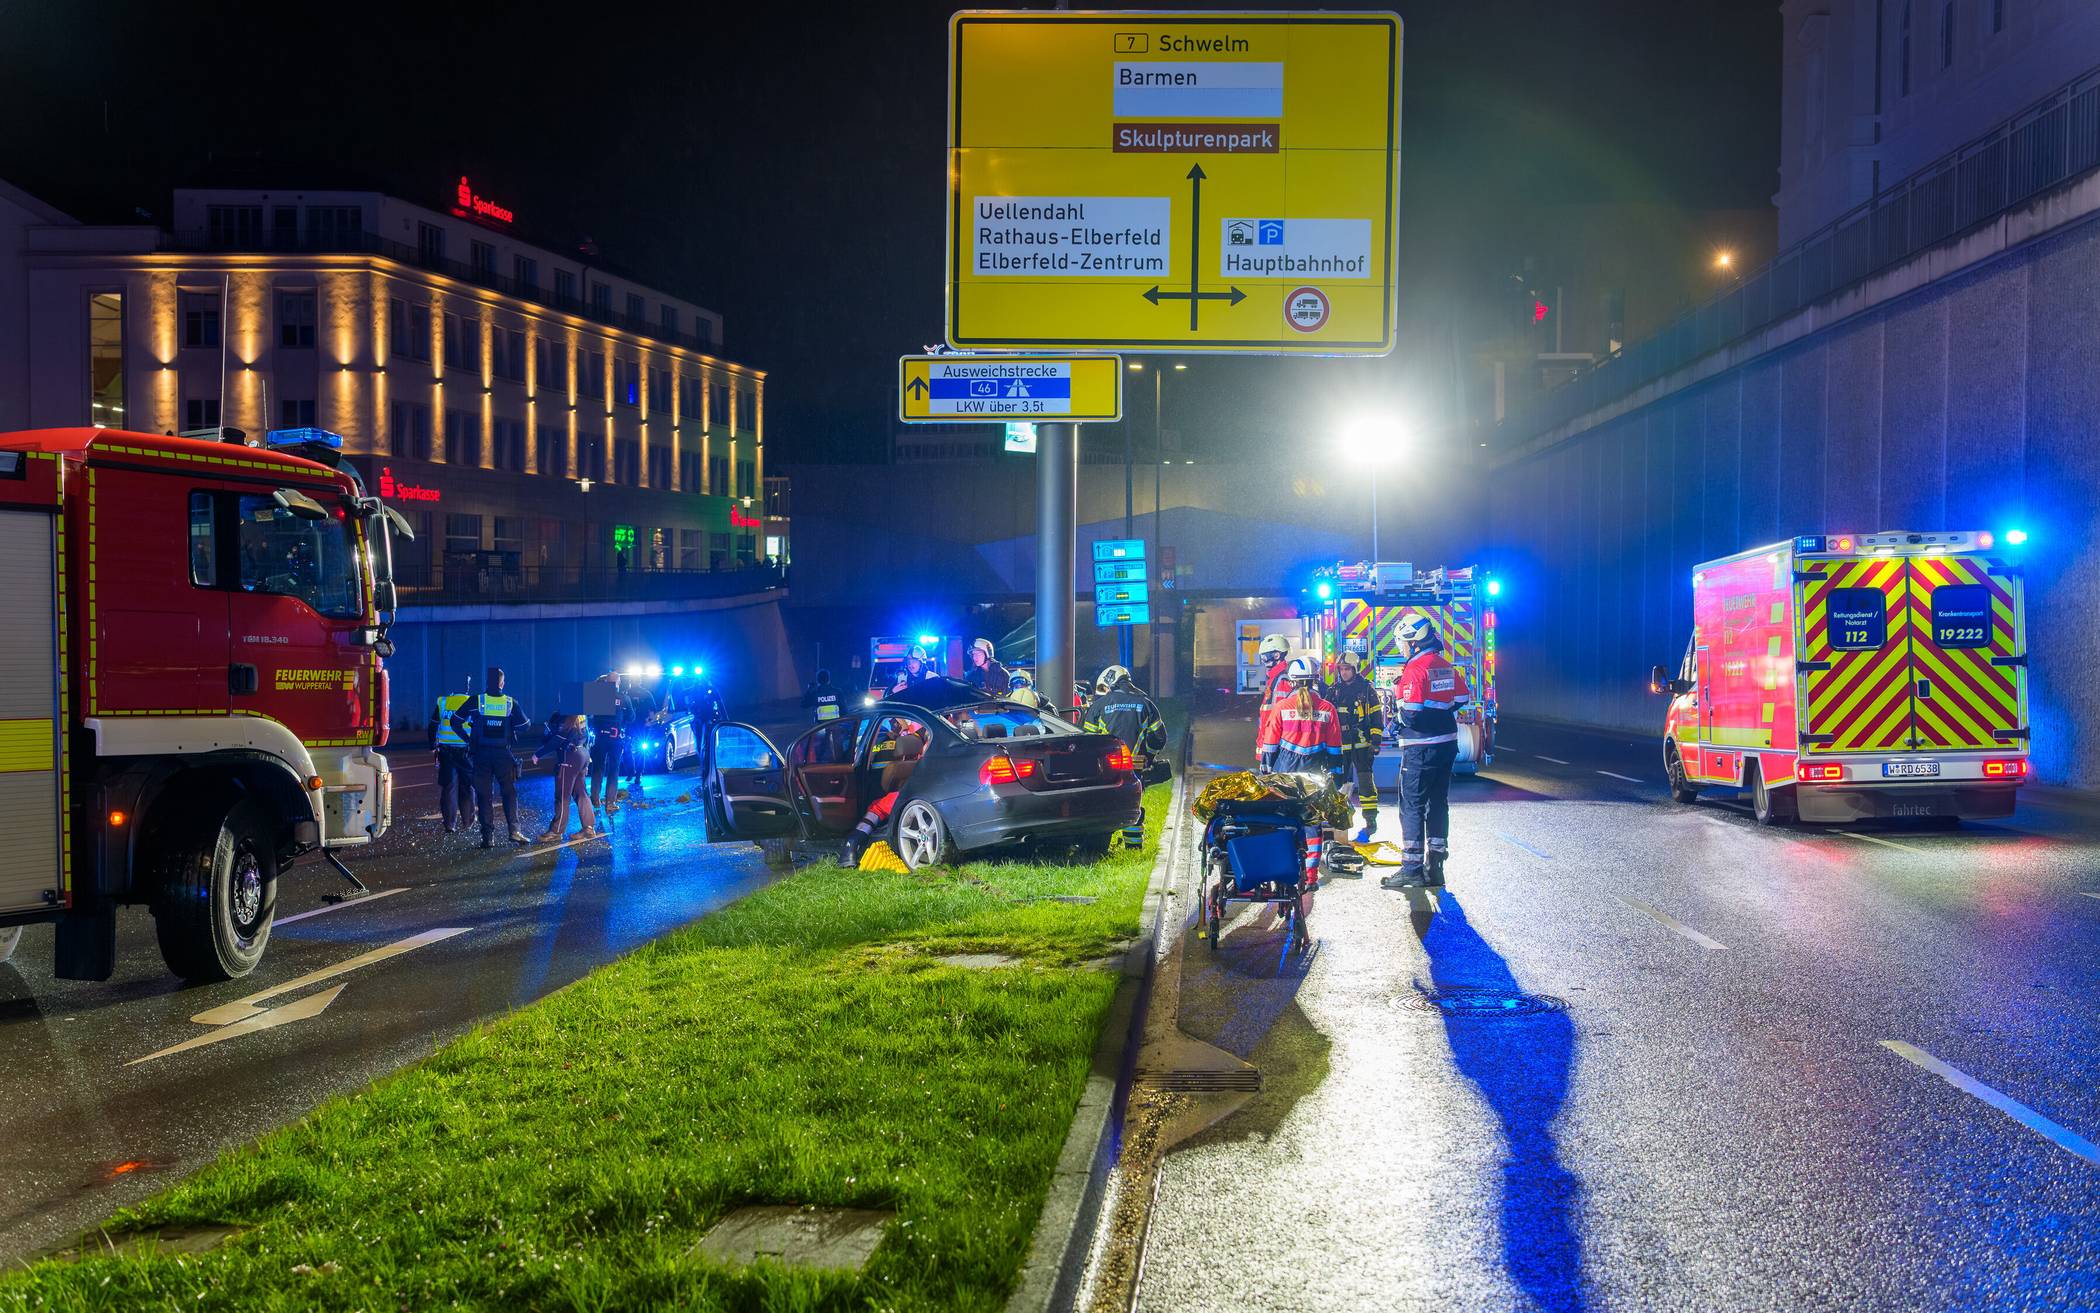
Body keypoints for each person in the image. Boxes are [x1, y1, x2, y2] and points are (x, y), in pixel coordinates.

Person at [1381, 616, 1473, 890]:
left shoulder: (1414, 668)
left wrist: (1396, 709)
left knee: (1412, 806)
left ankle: (1411, 869)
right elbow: (1461, 699)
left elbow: (1410, 713)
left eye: (1402, 643)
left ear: (1413, 641)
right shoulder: (1444, 666)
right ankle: (1436, 866)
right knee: (1438, 803)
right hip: (1447, 744)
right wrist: (1438, 712)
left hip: (1420, 748)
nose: (1401, 648)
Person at [1083, 666, 1168, 847]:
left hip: (1105, 769)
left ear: (1109, 683)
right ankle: (1133, 846)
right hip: (1134, 767)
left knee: (1103, 804)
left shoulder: (1098, 706)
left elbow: (1087, 740)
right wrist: (1148, 757)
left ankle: (1098, 846)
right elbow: (1159, 738)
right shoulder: (1145, 704)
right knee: (1132, 803)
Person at [450, 665, 533, 848]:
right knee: (509, 793)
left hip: (480, 755)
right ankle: (514, 831)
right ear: (502, 683)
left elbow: (455, 721)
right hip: (503, 754)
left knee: (484, 796)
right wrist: (509, 726)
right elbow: (526, 725)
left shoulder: (476, 701)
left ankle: (488, 837)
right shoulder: (510, 703)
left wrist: (469, 739)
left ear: (487, 682)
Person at [845, 726, 927, 865]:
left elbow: (877, 812)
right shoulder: (925, 761)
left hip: (900, 801)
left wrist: (852, 841)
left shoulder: (892, 796)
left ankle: (850, 847)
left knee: (876, 810)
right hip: (923, 794)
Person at [1327, 651, 1386, 842]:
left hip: (1362, 744)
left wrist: (1375, 742)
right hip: (1340, 745)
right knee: (1339, 785)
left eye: (1347, 669)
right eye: (1341, 669)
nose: (1344, 673)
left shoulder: (1367, 690)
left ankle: (1370, 821)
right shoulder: (1333, 690)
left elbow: (1376, 716)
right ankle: (1337, 820)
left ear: (1355, 669)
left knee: (1366, 784)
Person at [1258, 658, 1343, 776]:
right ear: (1315, 680)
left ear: (1291, 681)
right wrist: (1336, 770)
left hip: (1287, 768)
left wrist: (1266, 768)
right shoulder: (1328, 709)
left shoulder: (1281, 707)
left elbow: (1271, 741)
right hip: (1317, 769)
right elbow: (1334, 744)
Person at [531, 713, 597, 841]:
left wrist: (538, 754)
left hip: (569, 756)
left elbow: (558, 739)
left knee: (562, 795)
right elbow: (587, 735)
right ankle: (588, 827)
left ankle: (556, 831)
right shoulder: (581, 714)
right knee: (581, 793)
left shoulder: (568, 715)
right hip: (582, 753)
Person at [426, 679, 476, 834]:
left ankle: (450, 824)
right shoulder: (471, 702)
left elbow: (433, 725)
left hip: (446, 752)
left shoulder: (443, 702)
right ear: (467, 688)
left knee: (449, 787)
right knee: (467, 787)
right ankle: (468, 822)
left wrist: (432, 746)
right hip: (466, 751)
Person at [587, 672, 626, 808]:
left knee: (597, 768)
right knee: (613, 769)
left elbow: (589, 717)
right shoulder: (623, 698)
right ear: (618, 683)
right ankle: (610, 802)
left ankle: (595, 799)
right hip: (615, 739)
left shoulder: (598, 696)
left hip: (600, 738)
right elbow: (631, 717)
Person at [1253, 633, 1292, 754]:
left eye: (1265, 657)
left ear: (1277, 655)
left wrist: (1270, 748)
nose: (1264, 661)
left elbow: (1280, 720)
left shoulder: (1282, 681)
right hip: (1270, 744)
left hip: (1274, 747)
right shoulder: (1275, 679)